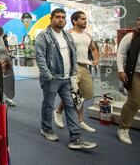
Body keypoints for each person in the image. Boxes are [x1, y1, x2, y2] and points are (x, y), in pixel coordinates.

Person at [35, 8, 97, 149]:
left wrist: (73, 73)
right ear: (51, 19)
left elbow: (73, 55)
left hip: (67, 78)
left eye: (63, 17)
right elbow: (40, 57)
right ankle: (46, 129)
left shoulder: (67, 36)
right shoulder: (43, 36)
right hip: (51, 78)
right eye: (57, 17)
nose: (61, 19)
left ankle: (75, 138)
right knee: (48, 105)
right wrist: (47, 75)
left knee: (71, 106)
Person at [54, 11, 99, 133]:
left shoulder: (87, 36)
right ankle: (59, 112)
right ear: (75, 21)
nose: (85, 21)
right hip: (71, 68)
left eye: (86, 19)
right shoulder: (67, 34)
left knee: (82, 95)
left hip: (84, 67)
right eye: (82, 19)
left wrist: (96, 59)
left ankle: (80, 120)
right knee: (72, 94)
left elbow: (94, 49)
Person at [116, 11, 140, 145]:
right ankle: (123, 128)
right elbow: (120, 54)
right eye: (139, 19)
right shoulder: (132, 36)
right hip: (138, 75)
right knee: (135, 103)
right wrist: (121, 70)